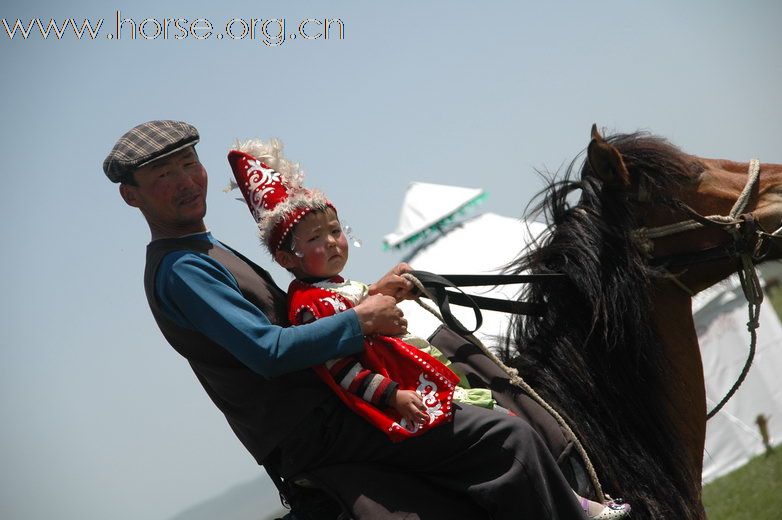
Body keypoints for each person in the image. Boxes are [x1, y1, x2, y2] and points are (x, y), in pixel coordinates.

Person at [103, 119, 604, 519]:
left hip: (327, 407)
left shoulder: (203, 248)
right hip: (312, 428)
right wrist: (361, 320)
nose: (186, 180)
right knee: (505, 439)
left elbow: (296, 325)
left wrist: (372, 295)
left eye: (189, 162)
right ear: (132, 195)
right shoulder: (182, 268)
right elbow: (268, 351)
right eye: (164, 174)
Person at [226, 137, 632, 519]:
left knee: (506, 410)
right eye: (316, 237)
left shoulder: (333, 290)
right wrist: (394, 396)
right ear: (285, 257)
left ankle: (568, 497)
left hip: (421, 390)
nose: (333, 242)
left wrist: (385, 291)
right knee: (507, 435)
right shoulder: (309, 305)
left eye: (335, 230)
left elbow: (360, 308)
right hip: (400, 406)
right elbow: (342, 369)